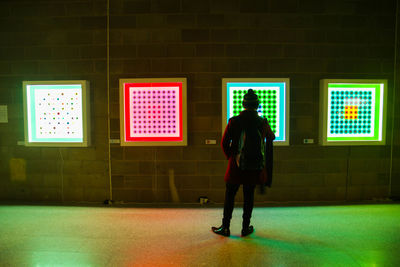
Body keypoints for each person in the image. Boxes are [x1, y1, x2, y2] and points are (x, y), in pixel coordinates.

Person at [212, 89, 275, 237]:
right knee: (249, 197)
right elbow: (271, 137)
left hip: (236, 166)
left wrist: (231, 157)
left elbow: (224, 143)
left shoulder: (234, 121)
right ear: (257, 105)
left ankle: (225, 227)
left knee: (230, 196)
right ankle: (245, 228)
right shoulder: (262, 122)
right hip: (254, 167)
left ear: (243, 104)